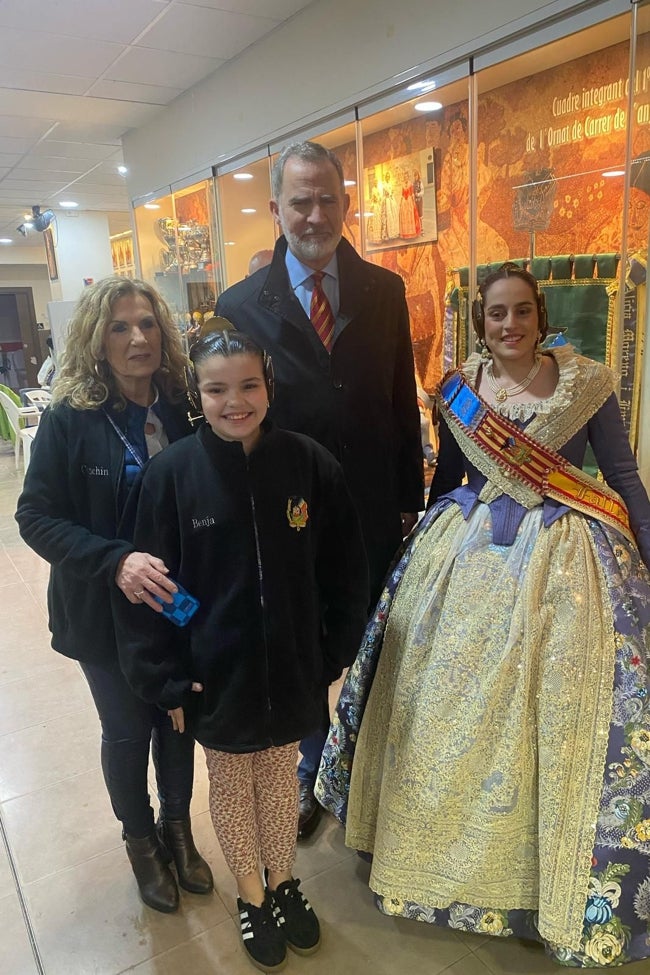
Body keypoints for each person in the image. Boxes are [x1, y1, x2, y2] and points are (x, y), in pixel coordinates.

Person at [316, 262, 650, 968]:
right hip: (466, 557)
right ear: (480, 321)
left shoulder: (587, 382)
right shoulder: (461, 393)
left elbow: (620, 477)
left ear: (541, 314)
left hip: (567, 563)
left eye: (521, 312)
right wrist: (423, 548)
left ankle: (548, 881)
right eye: (496, 314)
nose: (509, 325)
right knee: (447, 705)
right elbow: (448, 480)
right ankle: (441, 862)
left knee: (558, 711)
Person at [113, 329, 369, 972]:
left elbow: (343, 568)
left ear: (269, 386)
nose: (235, 401)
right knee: (232, 783)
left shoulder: (308, 463)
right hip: (213, 671)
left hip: (291, 663)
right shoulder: (172, 475)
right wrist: (170, 674)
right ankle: (251, 897)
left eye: (248, 385)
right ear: (197, 395)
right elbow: (159, 588)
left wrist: (331, 647)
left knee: (280, 778)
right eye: (217, 388)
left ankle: (282, 882)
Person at [215, 140, 423, 840]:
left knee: (371, 636)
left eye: (327, 198)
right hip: (287, 508)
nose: (314, 214)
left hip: (368, 504)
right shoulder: (240, 305)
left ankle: (366, 763)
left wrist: (408, 500)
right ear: (276, 208)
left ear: (346, 202)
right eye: (299, 201)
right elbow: (231, 419)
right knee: (303, 640)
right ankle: (312, 764)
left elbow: (401, 398)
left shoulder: (385, 291)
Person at [15, 277, 213, 914]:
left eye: (149, 324)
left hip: (176, 605)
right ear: (97, 340)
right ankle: (141, 842)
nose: (138, 338)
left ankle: (178, 830)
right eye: (121, 327)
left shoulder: (184, 405)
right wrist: (116, 560)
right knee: (128, 729)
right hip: (104, 607)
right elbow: (36, 516)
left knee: (177, 718)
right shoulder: (71, 417)